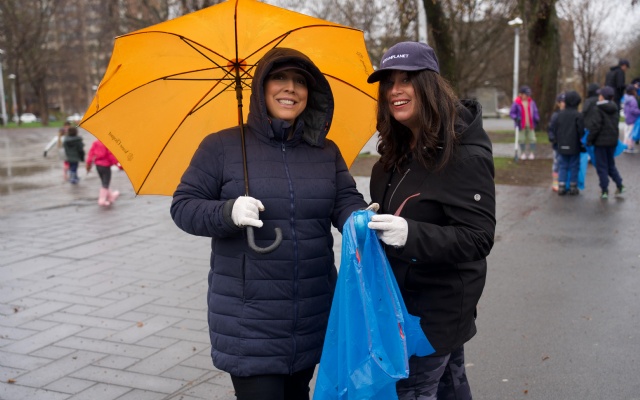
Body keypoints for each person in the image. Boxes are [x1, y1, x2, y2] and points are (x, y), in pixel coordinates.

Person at [170, 47, 367, 400]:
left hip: (311, 312)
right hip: (250, 323)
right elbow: (184, 207)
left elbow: (344, 201)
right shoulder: (222, 147)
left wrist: (361, 219)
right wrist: (227, 212)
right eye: (279, 78)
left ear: (312, 93)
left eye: (300, 82)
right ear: (260, 89)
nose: (290, 88)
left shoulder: (325, 151)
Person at [365, 41, 496, 400]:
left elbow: (478, 237)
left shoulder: (463, 154)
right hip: (402, 304)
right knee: (450, 387)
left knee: (415, 391)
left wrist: (409, 233)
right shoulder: (397, 149)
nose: (395, 90)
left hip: (434, 312)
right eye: (389, 82)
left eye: (407, 80)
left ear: (429, 85)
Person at [585, 86, 624, 199]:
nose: (598, 96)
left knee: (601, 166)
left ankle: (604, 190)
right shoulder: (615, 108)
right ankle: (620, 185)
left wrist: (589, 140)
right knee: (611, 165)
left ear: (602, 96)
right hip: (612, 142)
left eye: (599, 95)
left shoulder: (598, 109)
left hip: (600, 143)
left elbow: (596, 127)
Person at [549, 91, 584, 196]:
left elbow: (554, 128)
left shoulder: (559, 115)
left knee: (562, 165)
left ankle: (561, 185)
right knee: (574, 165)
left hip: (562, 144)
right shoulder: (578, 115)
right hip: (574, 145)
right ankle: (573, 186)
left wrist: (555, 140)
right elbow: (581, 130)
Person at [85, 139, 122, 206]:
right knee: (105, 183)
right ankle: (102, 200)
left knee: (104, 181)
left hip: (98, 166)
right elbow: (111, 157)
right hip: (106, 166)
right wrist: (120, 166)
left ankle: (111, 196)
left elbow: (91, 153)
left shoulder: (95, 142)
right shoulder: (108, 143)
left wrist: (88, 164)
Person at [509, 85, 540, 160]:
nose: (527, 96)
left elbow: (535, 111)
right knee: (521, 139)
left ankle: (532, 153)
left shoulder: (531, 102)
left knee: (532, 138)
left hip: (530, 124)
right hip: (521, 125)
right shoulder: (517, 103)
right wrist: (516, 118)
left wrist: (537, 118)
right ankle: (522, 153)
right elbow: (512, 113)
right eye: (526, 94)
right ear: (521, 94)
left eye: (528, 95)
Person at [548, 92, 565, 191]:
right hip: (557, 144)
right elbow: (551, 128)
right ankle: (555, 182)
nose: (564, 103)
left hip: (566, 143)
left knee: (563, 163)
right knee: (556, 163)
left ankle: (563, 181)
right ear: (558, 103)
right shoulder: (556, 115)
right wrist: (552, 138)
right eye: (562, 101)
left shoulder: (567, 113)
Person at [622, 84, 640, 153]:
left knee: (626, 133)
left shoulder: (626, 98)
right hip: (632, 119)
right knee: (631, 134)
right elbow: (633, 110)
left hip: (627, 118)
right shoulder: (633, 100)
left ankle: (625, 146)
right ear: (633, 91)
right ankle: (629, 147)